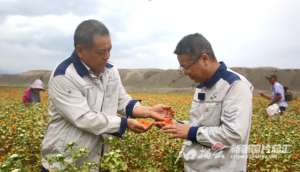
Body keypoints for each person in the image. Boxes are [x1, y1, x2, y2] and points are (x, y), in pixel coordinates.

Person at [41, 19, 168, 171]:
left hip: (97, 162)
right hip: (65, 163)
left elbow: (122, 100)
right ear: (80, 51)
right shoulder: (64, 76)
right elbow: (84, 118)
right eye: (101, 52)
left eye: (109, 50)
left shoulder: (110, 71)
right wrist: (125, 123)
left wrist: (149, 111)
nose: (107, 56)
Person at [161, 33, 253, 172]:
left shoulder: (235, 85)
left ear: (204, 59)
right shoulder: (202, 86)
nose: (184, 72)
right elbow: (200, 124)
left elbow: (233, 134)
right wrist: (174, 124)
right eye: (181, 67)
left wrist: (190, 132)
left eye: (186, 66)